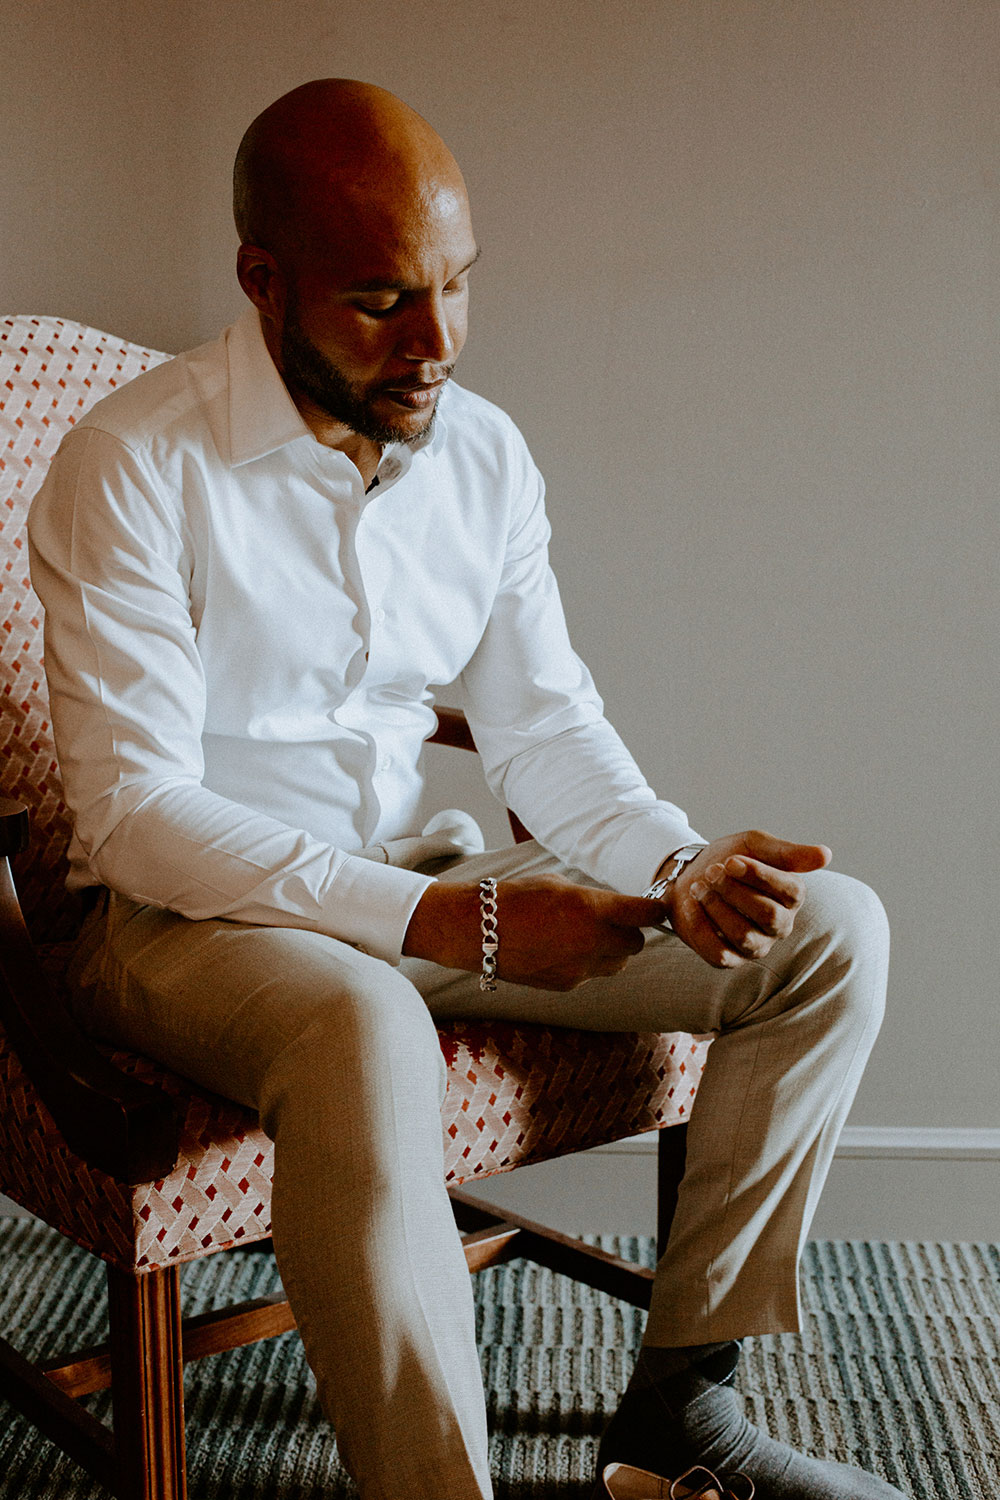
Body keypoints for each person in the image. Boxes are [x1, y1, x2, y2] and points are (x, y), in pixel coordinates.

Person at [28, 79, 899, 1500]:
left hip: (424, 886)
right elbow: (135, 818)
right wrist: (459, 934)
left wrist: (673, 864)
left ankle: (686, 1411)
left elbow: (545, 730)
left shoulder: (482, 455)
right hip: (185, 934)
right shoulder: (129, 467)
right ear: (265, 280)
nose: (436, 345)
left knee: (831, 933)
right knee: (366, 1015)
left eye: (455, 289)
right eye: (382, 302)